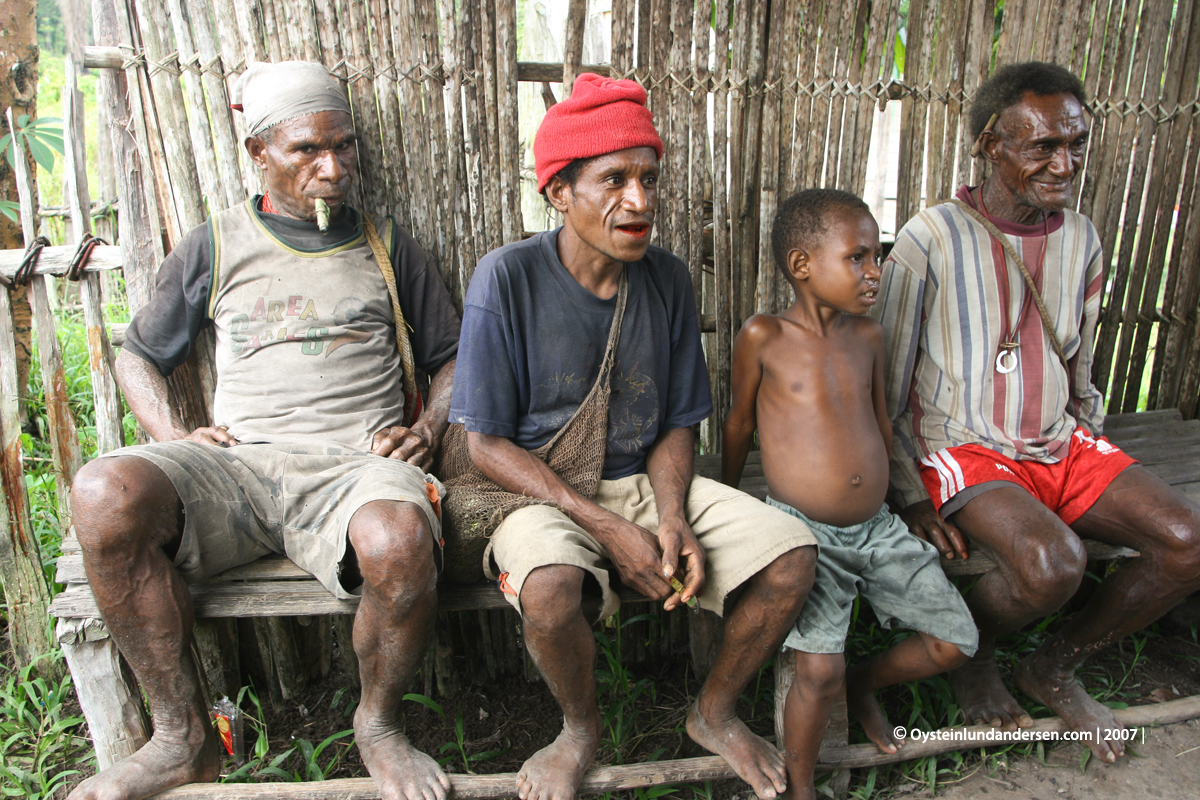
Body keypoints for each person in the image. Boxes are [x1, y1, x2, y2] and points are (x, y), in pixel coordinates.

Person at [67, 62, 461, 800]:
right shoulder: (215, 245)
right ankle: (183, 738)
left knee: (400, 541)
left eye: (343, 148)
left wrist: (430, 427)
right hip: (238, 468)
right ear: (258, 153)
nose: (333, 168)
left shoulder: (387, 244)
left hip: (356, 466)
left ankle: (377, 726)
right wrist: (175, 431)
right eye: (307, 150)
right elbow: (138, 357)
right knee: (101, 492)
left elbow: (451, 358)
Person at [448, 73, 818, 800]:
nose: (640, 201)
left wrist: (672, 516)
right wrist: (605, 526)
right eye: (614, 179)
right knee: (552, 590)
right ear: (559, 191)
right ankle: (579, 729)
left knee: (792, 558)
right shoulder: (507, 277)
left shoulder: (668, 280)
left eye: (649, 177)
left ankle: (713, 711)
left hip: (646, 483)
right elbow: (485, 446)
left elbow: (679, 420)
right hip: (537, 491)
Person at [874, 61, 1200, 763]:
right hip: (964, 447)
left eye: (1076, 144)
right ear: (992, 144)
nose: (1066, 163)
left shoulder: (1079, 237)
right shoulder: (929, 239)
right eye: (1043, 146)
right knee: (1055, 564)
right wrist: (907, 495)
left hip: (1060, 442)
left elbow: (1078, 363)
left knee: (1188, 540)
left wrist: (1093, 442)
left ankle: (1051, 666)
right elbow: (888, 381)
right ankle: (976, 653)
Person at [723, 189, 977, 799]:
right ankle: (803, 789)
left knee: (955, 642)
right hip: (804, 532)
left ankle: (863, 683)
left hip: (878, 527)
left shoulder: (868, 336)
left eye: (877, 256)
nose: (875, 270)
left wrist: (901, 501)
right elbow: (737, 423)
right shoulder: (765, 335)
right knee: (816, 666)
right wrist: (728, 507)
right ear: (803, 265)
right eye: (858, 257)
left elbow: (882, 423)